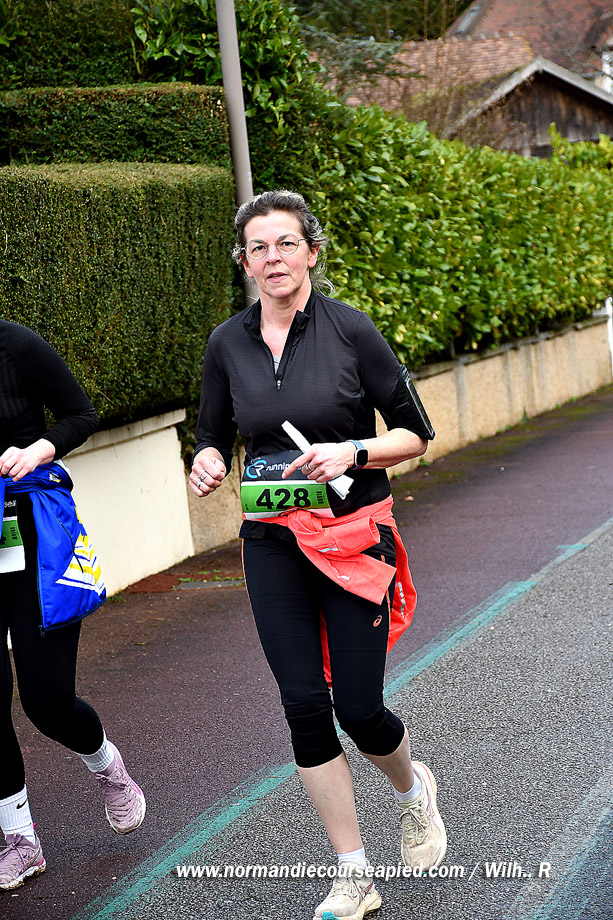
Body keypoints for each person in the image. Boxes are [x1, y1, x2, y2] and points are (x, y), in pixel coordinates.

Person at [190, 190, 446, 919]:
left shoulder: (349, 330)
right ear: (244, 262)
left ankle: (412, 791)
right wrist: (207, 461)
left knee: (358, 709)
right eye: (258, 248)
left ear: (311, 251)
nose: (272, 258)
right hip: (273, 541)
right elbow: (211, 434)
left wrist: (352, 450)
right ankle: (352, 873)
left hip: (353, 535)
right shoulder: (226, 344)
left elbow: (416, 433)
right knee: (304, 706)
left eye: (285, 243)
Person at [0, 319, 146, 891]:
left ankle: (106, 765)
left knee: (46, 701)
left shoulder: (14, 344)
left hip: (32, 536)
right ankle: (19, 838)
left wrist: (36, 450)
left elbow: (80, 414)